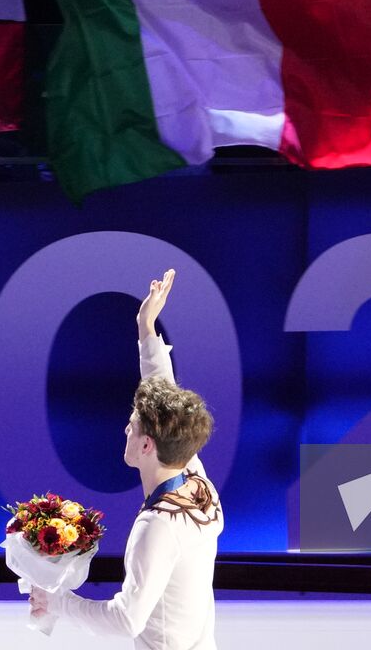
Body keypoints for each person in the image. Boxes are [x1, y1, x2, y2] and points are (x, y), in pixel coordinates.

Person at [30, 269, 223, 650]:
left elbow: (125, 619)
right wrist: (146, 326)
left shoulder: (157, 527)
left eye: (133, 425)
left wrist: (57, 602)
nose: (125, 429)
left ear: (148, 445)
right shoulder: (197, 482)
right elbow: (166, 399)